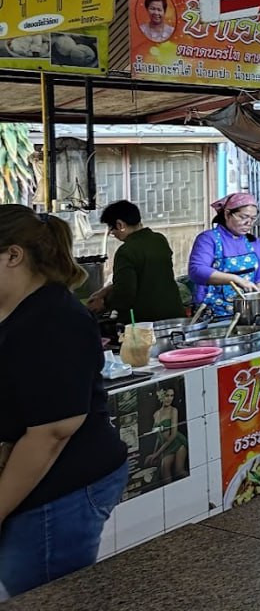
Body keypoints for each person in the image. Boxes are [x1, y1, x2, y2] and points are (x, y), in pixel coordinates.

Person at [0, 206, 128, 599]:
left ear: (13, 255)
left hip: (64, 483)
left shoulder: (53, 318)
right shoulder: (17, 313)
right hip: (33, 474)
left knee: (44, 595)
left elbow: (52, 433)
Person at [86, 200, 184, 321]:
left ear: (120, 225)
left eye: (112, 229)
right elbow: (146, 277)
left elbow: (125, 293)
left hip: (146, 321)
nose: (113, 234)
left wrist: (103, 303)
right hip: (174, 313)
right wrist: (105, 291)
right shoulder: (159, 240)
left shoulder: (126, 251)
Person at [187, 193, 260, 318]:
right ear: (227, 214)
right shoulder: (208, 239)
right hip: (212, 315)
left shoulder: (254, 242)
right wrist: (237, 280)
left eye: (253, 219)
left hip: (247, 314)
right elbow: (197, 270)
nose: (248, 223)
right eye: (243, 217)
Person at [144, 385, 187, 484]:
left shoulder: (173, 411)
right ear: (161, 396)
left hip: (177, 442)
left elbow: (174, 434)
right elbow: (158, 437)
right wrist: (154, 453)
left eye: (172, 396)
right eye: (167, 395)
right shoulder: (156, 414)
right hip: (165, 446)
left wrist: (157, 453)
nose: (169, 398)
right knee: (164, 467)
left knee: (179, 471)